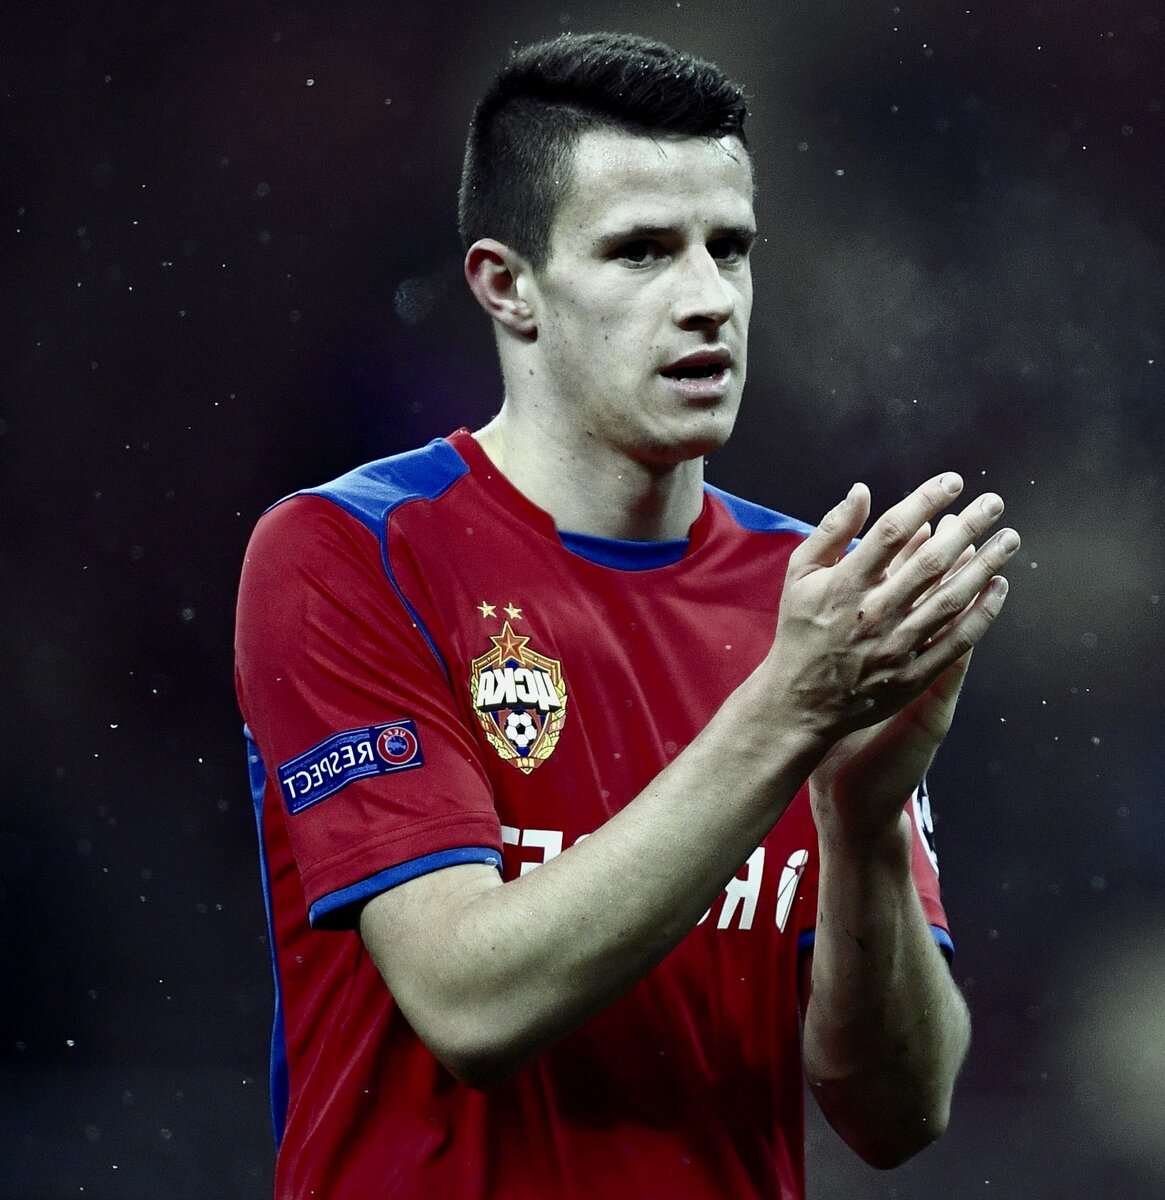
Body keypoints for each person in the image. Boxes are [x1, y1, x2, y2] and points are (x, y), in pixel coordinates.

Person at [235, 30, 1019, 1200]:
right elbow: (469, 1002)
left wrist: (860, 828)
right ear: (506, 285)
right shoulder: (350, 553)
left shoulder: (811, 598)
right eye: (642, 251)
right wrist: (786, 714)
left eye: (729, 249)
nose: (706, 299)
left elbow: (899, 1112)